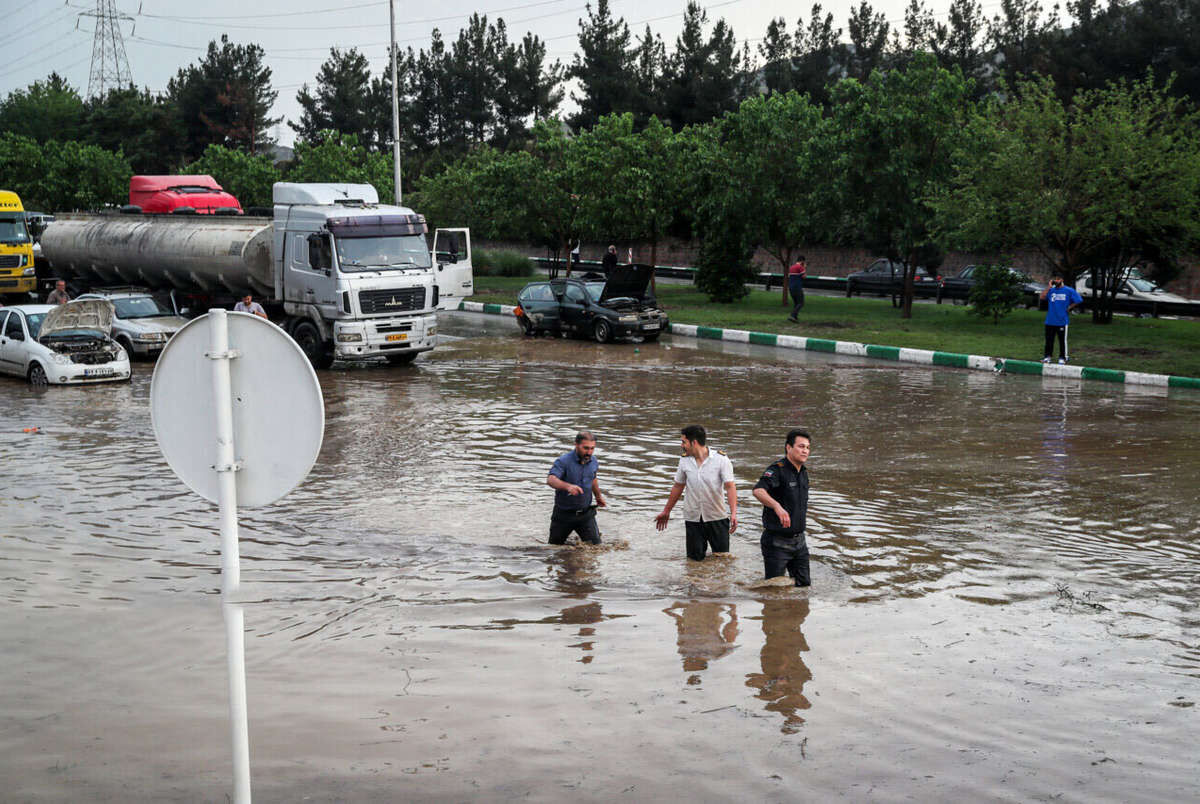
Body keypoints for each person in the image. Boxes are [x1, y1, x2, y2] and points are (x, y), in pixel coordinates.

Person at [654, 425, 737, 561]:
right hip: (693, 519)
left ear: (694, 442)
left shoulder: (721, 459)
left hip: (717, 518)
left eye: (683, 442)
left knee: (723, 561)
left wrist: (733, 513)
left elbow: (730, 487)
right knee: (693, 562)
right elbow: (678, 486)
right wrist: (666, 511)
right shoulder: (684, 460)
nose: (682, 445)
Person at [752, 429, 812, 587]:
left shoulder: (804, 473)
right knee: (773, 591)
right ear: (788, 447)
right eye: (801, 446)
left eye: (807, 447)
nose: (805, 450)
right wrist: (776, 506)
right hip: (776, 543)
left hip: (800, 542)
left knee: (804, 588)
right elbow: (758, 490)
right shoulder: (777, 469)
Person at [546, 430, 607, 545]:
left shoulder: (593, 461)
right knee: (554, 549)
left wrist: (598, 496)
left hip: (585, 514)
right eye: (586, 448)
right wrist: (568, 486)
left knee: (597, 548)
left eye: (592, 448)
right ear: (576, 444)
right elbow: (551, 480)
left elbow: (593, 478)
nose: (589, 452)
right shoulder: (563, 461)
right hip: (563, 515)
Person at [1040, 273, 1082, 364]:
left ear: (1062, 280)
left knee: (1062, 341)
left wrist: (1070, 307)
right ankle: (1047, 357)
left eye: (1058, 279)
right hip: (1050, 320)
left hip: (1062, 320)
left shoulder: (1069, 290)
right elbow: (1042, 297)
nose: (1056, 281)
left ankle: (1063, 357)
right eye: (1054, 279)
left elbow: (1078, 300)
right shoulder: (1051, 290)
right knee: (1049, 340)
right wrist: (1049, 287)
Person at [786, 256, 807, 322]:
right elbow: (804, 277)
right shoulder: (800, 267)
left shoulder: (791, 267)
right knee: (801, 303)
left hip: (791, 287)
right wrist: (804, 267)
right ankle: (792, 315)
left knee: (796, 303)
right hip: (797, 287)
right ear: (802, 261)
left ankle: (795, 317)